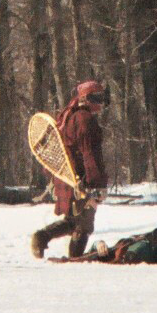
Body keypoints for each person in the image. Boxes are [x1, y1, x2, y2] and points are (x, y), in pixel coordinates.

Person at [31, 81, 110, 259]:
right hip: (81, 181)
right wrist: (95, 185)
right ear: (85, 98)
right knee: (84, 224)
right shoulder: (84, 119)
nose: (100, 102)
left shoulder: (70, 116)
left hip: (68, 179)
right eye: (96, 97)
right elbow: (89, 154)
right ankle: (75, 258)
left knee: (73, 221)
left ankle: (42, 237)